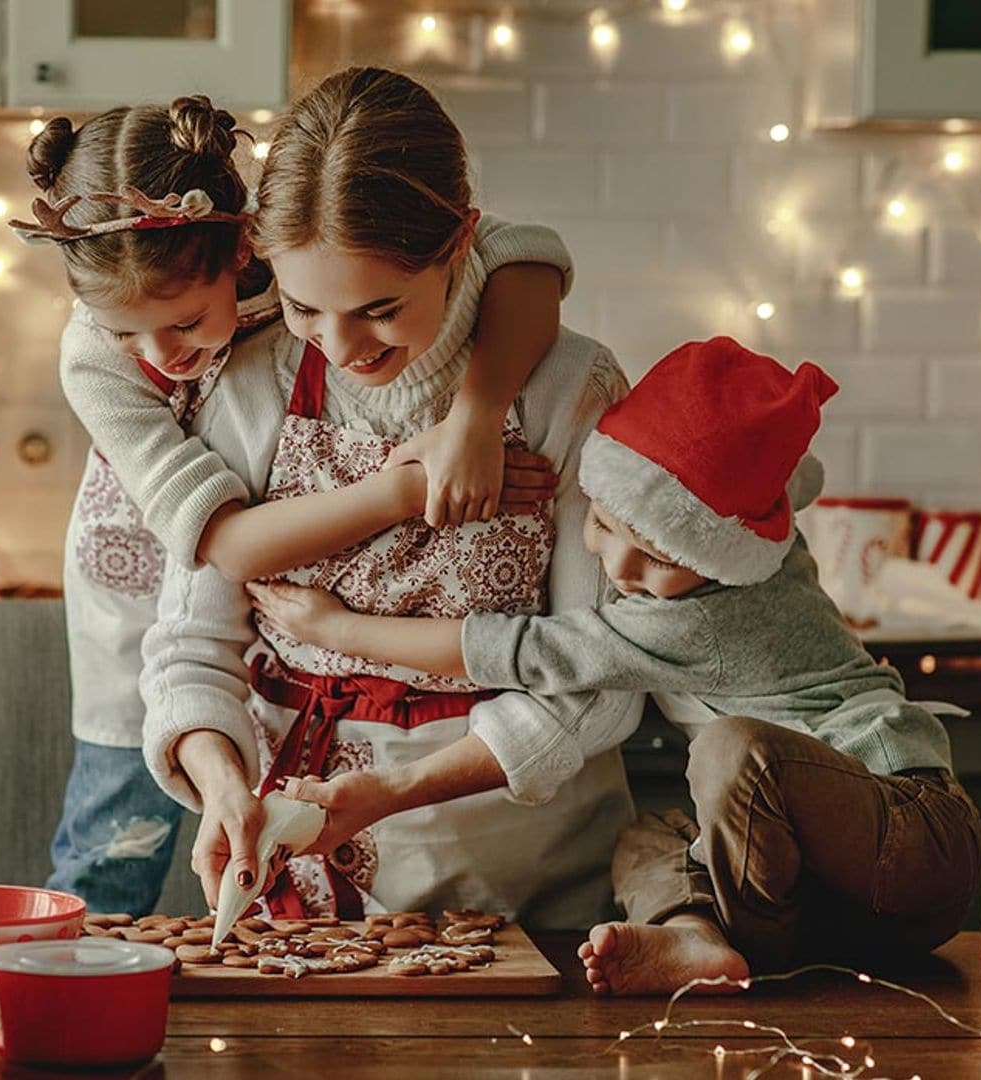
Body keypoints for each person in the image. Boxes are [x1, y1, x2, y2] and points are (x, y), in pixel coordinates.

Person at [250, 336, 981, 992]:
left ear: (716, 554)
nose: (619, 565)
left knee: (735, 750)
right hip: (841, 900)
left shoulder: (702, 616)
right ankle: (698, 939)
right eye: (601, 524)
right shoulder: (751, 533)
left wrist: (340, 626)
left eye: (659, 557)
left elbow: (520, 650)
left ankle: (751, 948)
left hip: (907, 833)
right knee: (643, 841)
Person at [21, 93, 573, 914]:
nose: (157, 356)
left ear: (246, 248)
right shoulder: (97, 359)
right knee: (115, 840)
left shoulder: (300, 266)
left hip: (280, 553)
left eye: (182, 324)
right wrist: (407, 488)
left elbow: (524, 258)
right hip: (156, 557)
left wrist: (477, 414)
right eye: (125, 333)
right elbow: (230, 549)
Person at [138, 66, 645, 929]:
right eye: (303, 307)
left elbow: (597, 677)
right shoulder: (253, 379)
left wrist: (396, 790)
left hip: (523, 889)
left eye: (378, 309)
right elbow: (192, 643)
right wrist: (223, 783)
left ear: (460, 245)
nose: (338, 347)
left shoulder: (566, 388)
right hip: (296, 892)